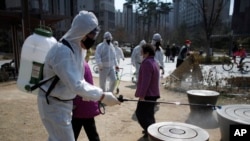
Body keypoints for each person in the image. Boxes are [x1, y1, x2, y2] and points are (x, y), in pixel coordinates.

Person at [37, 10, 120, 141]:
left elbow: (79, 80)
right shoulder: (62, 51)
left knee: (56, 138)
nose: (92, 40)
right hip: (53, 104)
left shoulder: (76, 49)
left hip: (63, 103)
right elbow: (76, 84)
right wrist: (102, 96)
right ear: (81, 33)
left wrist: (89, 97)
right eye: (91, 36)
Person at [135, 43, 160, 138]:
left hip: (148, 94)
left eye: (142, 51)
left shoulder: (147, 63)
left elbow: (146, 81)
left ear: (147, 52)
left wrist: (142, 95)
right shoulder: (154, 62)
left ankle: (151, 132)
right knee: (149, 114)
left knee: (140, 113)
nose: (141, 53)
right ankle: (150, 131)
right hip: (153, 93)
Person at [72, 59, 101, 141]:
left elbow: (78, 88)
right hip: (87, 106)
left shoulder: (77, 65)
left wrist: (74, 104)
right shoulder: (83, 63)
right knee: (92, 133)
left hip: (79, 107)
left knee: (72, 135)